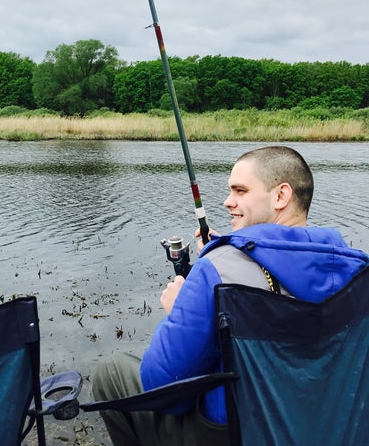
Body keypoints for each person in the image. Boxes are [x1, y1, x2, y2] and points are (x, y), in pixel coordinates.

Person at [92, 145, 369, 446]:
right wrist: (229, 248)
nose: (227, 201)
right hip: (328, 428)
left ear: (281, 196)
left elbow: (163, 389)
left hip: (238, 434)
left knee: (112, 373)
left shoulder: (217, 270)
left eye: (240, 191)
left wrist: (181, 305)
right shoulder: (356, 271)